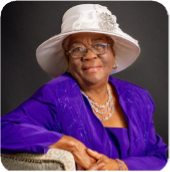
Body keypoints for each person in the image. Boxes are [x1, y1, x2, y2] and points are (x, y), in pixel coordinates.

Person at [0, 4, 169, 171]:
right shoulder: (56, 95)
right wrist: (69, 144)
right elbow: (4, 129)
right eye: (77, 49)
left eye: (99, 45)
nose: (89, 55)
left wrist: (121, 166)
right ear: (68, 59)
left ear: (114, 53)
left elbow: (159, 158)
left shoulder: (138, 97)